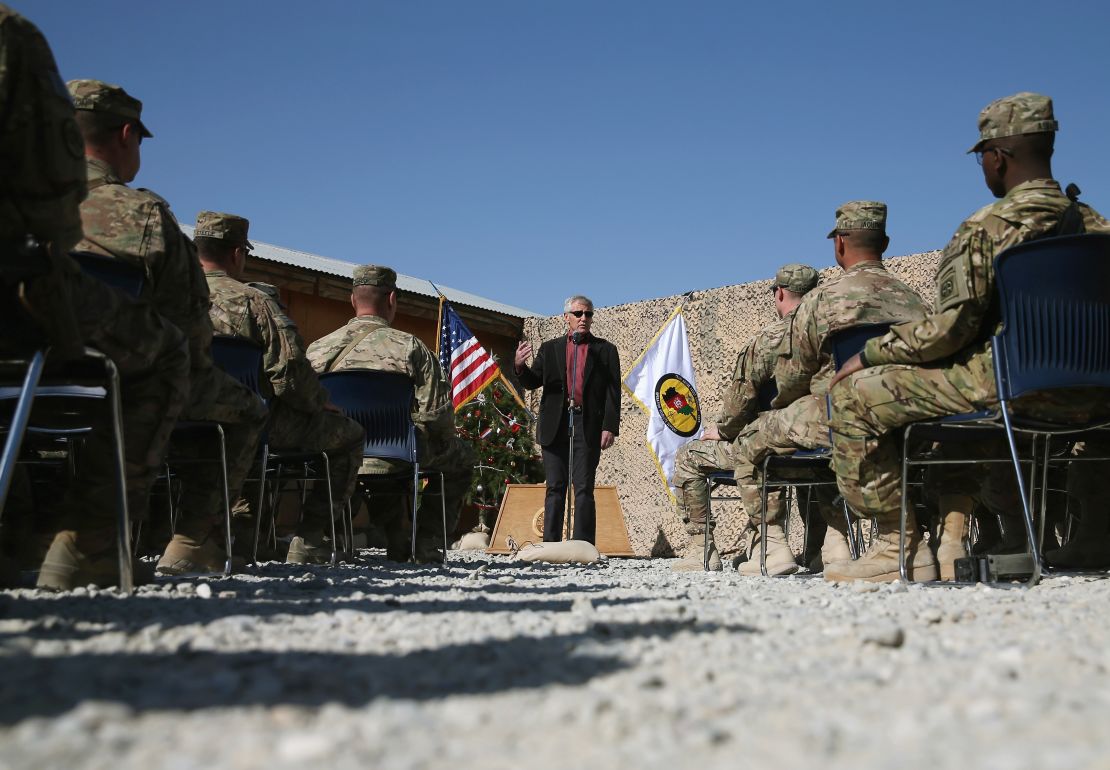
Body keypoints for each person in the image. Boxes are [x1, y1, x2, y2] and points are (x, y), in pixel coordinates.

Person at [828, 92, 1110, 582]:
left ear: (997, 157)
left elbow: (951, 332)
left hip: (1009, 384)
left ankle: (899, 549)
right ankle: (1094, 539)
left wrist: (872, 353)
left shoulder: (984, 228)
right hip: (1096, 397)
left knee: (854, 398)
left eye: (983, 156)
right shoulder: (1099, 229)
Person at [0, 5, 189, 591]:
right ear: (127, 135)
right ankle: (90, 547)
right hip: (37, 322)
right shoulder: (11, 36)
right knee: (170, 354)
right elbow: (49, 212)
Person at [67, 80, 267, 576]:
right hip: (109, 376)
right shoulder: (141, 215)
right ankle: (191, 541)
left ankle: (20, 533)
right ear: (128, 134)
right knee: (235, 403)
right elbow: (189, 328)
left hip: (13, 374)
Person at [734, 201, 928, 576]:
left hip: (836, 415)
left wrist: (786, 406)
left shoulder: (824, 300)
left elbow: (793, 378)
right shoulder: (914, 300)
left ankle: (772, 549)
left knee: (751, 440)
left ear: (839, 244)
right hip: (906, 415)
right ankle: (841, 543)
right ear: (884, 243)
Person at [195, 211, 364, 564]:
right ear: (238, 254)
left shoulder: (165, 296)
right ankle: (308, 540)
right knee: (349, 434)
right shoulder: (254, 302)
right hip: (248, 425)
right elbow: (289, 374)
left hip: (166, 417)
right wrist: (319, 402)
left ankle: (161, 536)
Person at [306, 265, 475, 563]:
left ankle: (317, 536)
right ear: (392, 299)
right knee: (458, 456)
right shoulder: (411, 347)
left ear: (352, 300)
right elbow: (437, 415)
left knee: (376, 465)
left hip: (332, 452)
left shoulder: (318, 349)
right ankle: (425, 543)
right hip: (397, 449)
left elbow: (303, 405)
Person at [670, 264, 819, 572]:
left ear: (779, 293)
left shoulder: (767, 341)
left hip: (770, 449)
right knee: (812, 467)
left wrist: (722, 430)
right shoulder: (828, 336)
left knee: (688, 456)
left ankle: (702, 551)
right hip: (820, 449)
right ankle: (821, 548)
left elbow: (740, 402)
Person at [513, 295, 620, 544]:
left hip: (588, 425)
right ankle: (550, 545)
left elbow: (613, 393)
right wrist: (519, 366)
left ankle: (582, 545)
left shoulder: (605, 350)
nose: (584, 318)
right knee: (555, 487)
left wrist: (609, 427)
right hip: (555, 425)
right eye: (578, 314)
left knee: (583, 487)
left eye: (588, 314)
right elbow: (532, 382)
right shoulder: (550, 349)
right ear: (566, 317)